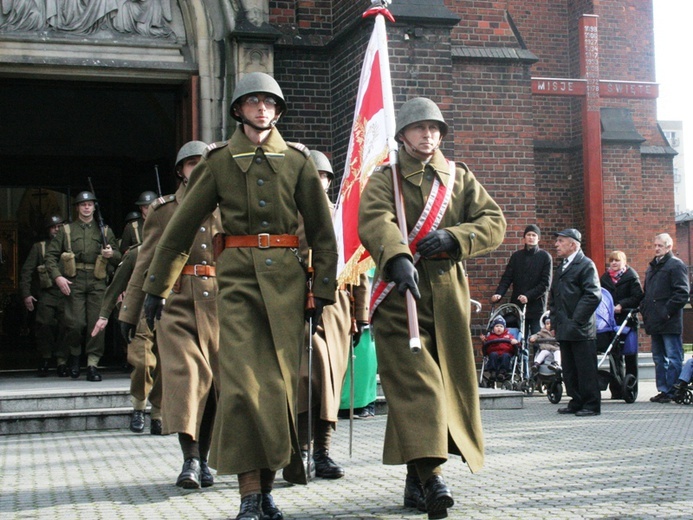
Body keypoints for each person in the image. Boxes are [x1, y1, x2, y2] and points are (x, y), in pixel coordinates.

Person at [141, 73, 338, 520]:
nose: (262, 109)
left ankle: (267, 490)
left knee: (279, 390)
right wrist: (156, 287)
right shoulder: (219, 163)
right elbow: (180, 227)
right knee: (244, 390)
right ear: (238, 110)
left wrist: (321, 290)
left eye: (269, 102)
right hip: (236, 287)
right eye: (253, 102)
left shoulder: (298, 162)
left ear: (278, 109)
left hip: (288, 288)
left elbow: (323, 234)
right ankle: (249, 493)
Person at [358, 97, 506, 519]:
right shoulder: (385, 179)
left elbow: (493, 222)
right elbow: (375, 220)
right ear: (402, 134)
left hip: (447, 297)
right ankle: (434, 479)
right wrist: (397, 254)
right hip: (399, 297)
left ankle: (414, 478)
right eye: (420, 128)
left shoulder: (459, 177)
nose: (429, 135)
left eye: (435, 129)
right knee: (418, 386)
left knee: (437, 391)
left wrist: (455, 237)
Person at [118, 140, 220, 486]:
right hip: (175, 306)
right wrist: (130, 313)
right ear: (180, 171)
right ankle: (189, 461)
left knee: (216, 389)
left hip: (221, 307)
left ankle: (204, 460)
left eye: (202, 163)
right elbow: (144, 264)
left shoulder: (228, 204)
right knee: (185, 380)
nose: (197, 169)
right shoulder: (163, 211)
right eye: (190, 164)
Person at [289, 150, 369, 481]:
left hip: (336, 306)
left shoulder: (342, 216)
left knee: (332, 382)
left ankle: (321, 452)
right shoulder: (288, 214)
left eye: (323, 177)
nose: (319, 182)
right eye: (313, 176)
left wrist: (361, 313)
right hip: (297, 303)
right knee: (309, 376)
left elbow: (359, 265)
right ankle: (303, 451)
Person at [44, 191, 121, 381]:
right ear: (77, 207)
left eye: (90, 204)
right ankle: (75, 356)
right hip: (74, 281)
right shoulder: (66, 231)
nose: (86, 207)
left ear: (95, 207)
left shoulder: (105, 231)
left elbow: (121, 259)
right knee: (75, 324)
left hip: (97, 281)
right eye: (83, 204)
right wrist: (58, 278)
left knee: (97, 323)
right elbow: (50, 257)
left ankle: (93, 363)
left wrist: (112, 255)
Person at [91, 250, 161, 435]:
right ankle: (138, 409)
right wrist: (104, 315)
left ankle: (158, 415)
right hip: (140, 317)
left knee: (165, 367)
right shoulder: (138, 252)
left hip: (170, 316)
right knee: (142, 363)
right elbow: (116, 286)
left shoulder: (181, 246)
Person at [549, 228, 602, 417]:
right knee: (570, 368)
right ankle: (576, 400)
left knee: (585, 368)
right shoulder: (562, 266)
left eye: (561, 241)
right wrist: (554, 322)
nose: (556, 245)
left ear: (573, 244)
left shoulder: (586, 265)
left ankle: (591, 404)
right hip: (565, 327)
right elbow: (554, 297)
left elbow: (593, 295)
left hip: (581, 329)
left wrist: (576, 320)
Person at [641, 233, 690, 403]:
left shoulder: (675, 265)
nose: (656, 248)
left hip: (669, 321)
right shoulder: (652, 267)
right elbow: (647, 294)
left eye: (660, 245)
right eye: (655, 245)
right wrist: (646, 310)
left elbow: (682, 293)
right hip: (655, 321)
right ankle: (663, 390)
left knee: (672, 357)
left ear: (669, 247)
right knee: (658, 358)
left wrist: (666, 311)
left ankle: (674, 390)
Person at [19, 214, 68, 377]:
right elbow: (27, 271)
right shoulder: (39, 247)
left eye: (60, 226)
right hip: (47, 293)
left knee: (66, 326)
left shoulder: (70, 246)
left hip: (67, 293)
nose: (56, 230)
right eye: (54, 227)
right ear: (48, 229)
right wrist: (26, 294)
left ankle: (62, 361)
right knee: (44, 325)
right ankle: (46, 357)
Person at [491, 224, 552, 340]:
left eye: (534, 235)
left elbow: (545, 284)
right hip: (517, 306)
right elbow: (507, 277)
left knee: (537, 339)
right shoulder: (516, 257)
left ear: (538, 238)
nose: (531, 237)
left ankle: (537, 359)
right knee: (517, 339)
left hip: (536, 306)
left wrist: (528, 296)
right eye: (528, 235)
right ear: (524, 238)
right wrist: (499, 293)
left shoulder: (545, 257)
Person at [599, 250, 643, 393]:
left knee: (630, 355)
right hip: (611, 321)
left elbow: (637, 297)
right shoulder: (605, 278)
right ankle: (616, 389)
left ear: (624, 262)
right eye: (611, 261)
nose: (614, 263)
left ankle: (631, 388)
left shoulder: (631, 277)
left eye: (617, 260)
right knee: (614, 353)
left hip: (627, 319)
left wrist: (622, 305)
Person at [479, 316, 518, 382]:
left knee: (506, 356)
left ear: (504, 328)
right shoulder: (490, 337)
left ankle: (502, 372)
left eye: (501, 326)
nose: (499, 328)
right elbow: (485, 347)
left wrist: (515, 342)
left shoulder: (508, 336)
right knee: (493, 355)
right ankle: (493, 372)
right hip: (494, 353)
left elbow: (516, 344)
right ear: (493, 328)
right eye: (497, 326)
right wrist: (483, 341)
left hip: (505, 353)